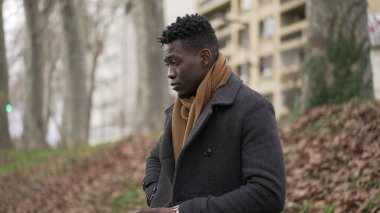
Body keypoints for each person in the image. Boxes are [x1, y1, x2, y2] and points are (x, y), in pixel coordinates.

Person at [137, 14, 285, 213]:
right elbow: (156, 158)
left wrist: (180, 211)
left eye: (175, 62)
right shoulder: (180, 111)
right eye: (167, 64)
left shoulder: (252, 108)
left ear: (204, 58)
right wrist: (156, 195)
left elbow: (267, 195)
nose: (169, 73)